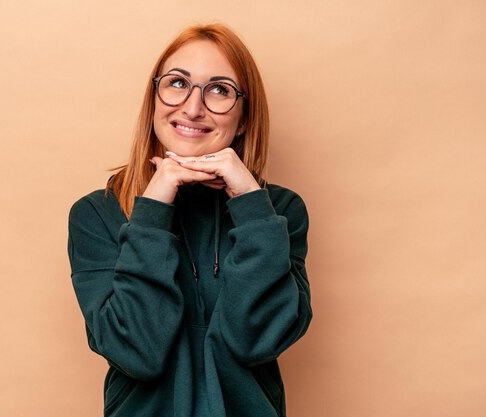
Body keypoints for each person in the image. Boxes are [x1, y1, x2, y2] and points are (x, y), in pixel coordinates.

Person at [67, 23, 312, 417]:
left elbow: (256, 340)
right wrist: (153, 208)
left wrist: (251, 206)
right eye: (177, 83)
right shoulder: (97, 213)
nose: (193, 107)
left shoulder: (279, 212)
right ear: (154, 100)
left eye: (219, 90)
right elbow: (138, 352)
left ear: (245, 118)